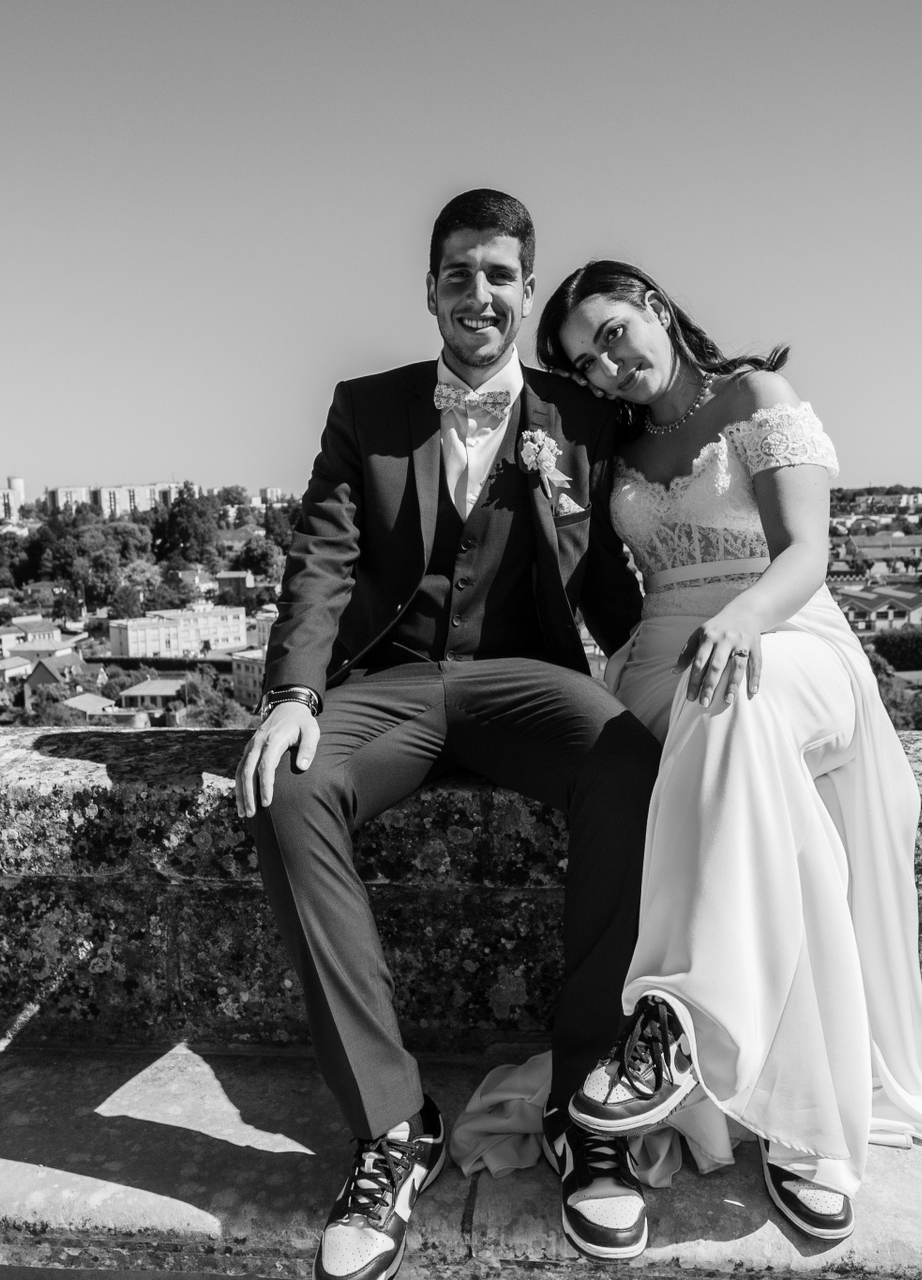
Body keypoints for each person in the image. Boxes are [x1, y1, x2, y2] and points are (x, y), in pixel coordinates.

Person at [234, 193, 665, 1275]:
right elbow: (323, 558)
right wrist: (293, 692)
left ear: (528, 289)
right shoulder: (366, 407)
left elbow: (612, 592)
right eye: (459, 273)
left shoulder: (580, 414)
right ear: (430, 289)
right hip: (391, 681)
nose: (480, 294)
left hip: (527, 681)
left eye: (500, 275)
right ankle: (393, 1124)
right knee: (286, 787)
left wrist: (697, 657)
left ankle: (585, 1102)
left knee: (631, 768)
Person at [523, 260, 922, 1240]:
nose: (607, 366)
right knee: (744, 780)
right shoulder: (616, 448)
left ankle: (680, 1019)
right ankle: (802, 1121)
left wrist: (747, 618)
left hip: (789, 634)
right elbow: (603, 587)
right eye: (586, 362)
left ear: (654, 306)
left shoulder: (756, 396)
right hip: (659, 660)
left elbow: (807, 551)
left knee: (732, 704)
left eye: (612, 333)